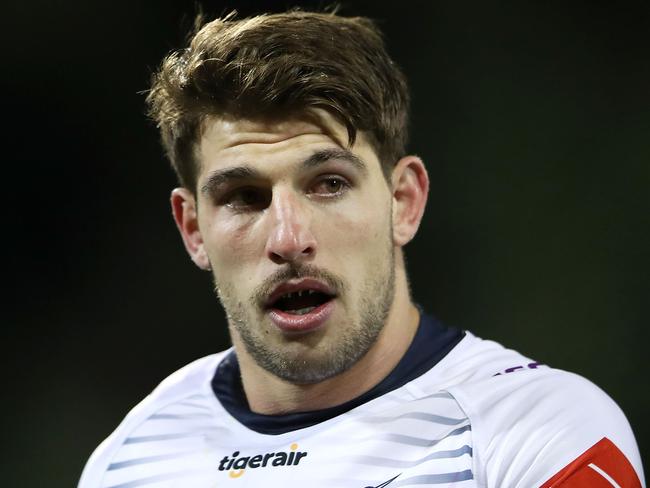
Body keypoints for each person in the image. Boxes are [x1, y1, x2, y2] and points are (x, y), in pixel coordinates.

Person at [79, 10, 644, 488]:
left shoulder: (542, 433)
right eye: (244, 196)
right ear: (194, 229)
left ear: (404, 202)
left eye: (329, 184)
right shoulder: (126, 459)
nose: (288, 239)